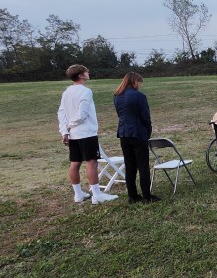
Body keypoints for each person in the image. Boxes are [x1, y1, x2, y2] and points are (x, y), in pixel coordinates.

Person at [57, 64, 118, 204]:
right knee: (91, 162)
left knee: (75, 163)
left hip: (73, 134)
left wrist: (65, 132)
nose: (88, 73)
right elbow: (82, 115)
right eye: (86, 72)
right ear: (81, 75)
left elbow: (61, 113)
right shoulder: (85, 91)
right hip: (86, 133)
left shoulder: (66, 92)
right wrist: (69, 126)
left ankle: (78, 194)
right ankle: (97, 195)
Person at [113, 72, 158, 203]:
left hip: (123, 133)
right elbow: (145, 116)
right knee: (143, 165)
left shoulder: (117, 96)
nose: (140, 85)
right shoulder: (139, 96)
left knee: (130, 165)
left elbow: (120, 114)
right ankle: (147, 196)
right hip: (138, 133)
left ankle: (132, 196)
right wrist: (148, 131)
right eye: (139, 82)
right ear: (134, 81)